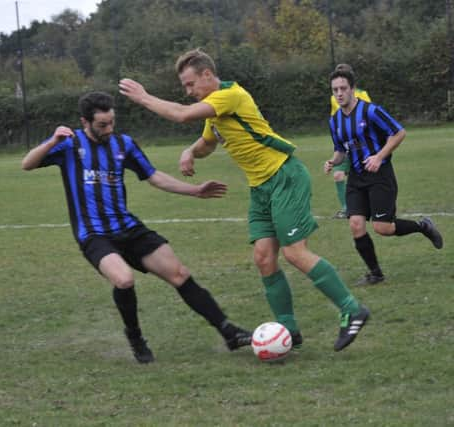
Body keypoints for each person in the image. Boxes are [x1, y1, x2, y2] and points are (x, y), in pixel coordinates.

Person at [119, 49, 369, 352]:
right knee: (264, 258)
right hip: (260, 188)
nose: (188, 92)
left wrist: (144, 97)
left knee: (294, 253)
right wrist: (189, 152)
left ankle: (351, 309)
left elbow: (181, 114)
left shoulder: (230, 96)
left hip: (284, 176)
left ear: (208, 76)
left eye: (190, 84)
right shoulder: (214, 109)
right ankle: (289, 331)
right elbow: (207, 143)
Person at [21, 91, 252, 364]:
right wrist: (52, 142)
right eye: (102, 125)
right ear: (85, 122)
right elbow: (28, 164)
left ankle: (228, 331)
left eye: (111, 122)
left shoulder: (124, 144)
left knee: (179, 274)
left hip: (128, 227)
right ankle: (135, 337)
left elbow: (153, 177)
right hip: (94, 234)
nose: (109, 129)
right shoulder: (69, 144)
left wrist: (194, 191)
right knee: (124, 279)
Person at [324, 68, 443, 285]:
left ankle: (423, 226)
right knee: (356, 224)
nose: (339, 93)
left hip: (380, 175)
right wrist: (333, 161)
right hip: (357, 178)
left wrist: (379, 156)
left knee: (383, 228)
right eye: (335, 90)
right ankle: (375, 274)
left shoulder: (370, 111)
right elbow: (341, 150)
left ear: (352, 89)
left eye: (343, 88)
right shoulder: (335, 121)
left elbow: (399, 133)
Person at [329, 64, 372, 219]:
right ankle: (346, 208)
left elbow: (367, 113)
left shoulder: (363, 94)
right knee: (338, 175)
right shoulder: (334, 98)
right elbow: (336, 116)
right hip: (345, 143)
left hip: (361, 145)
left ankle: (369, 203)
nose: (339, 93)